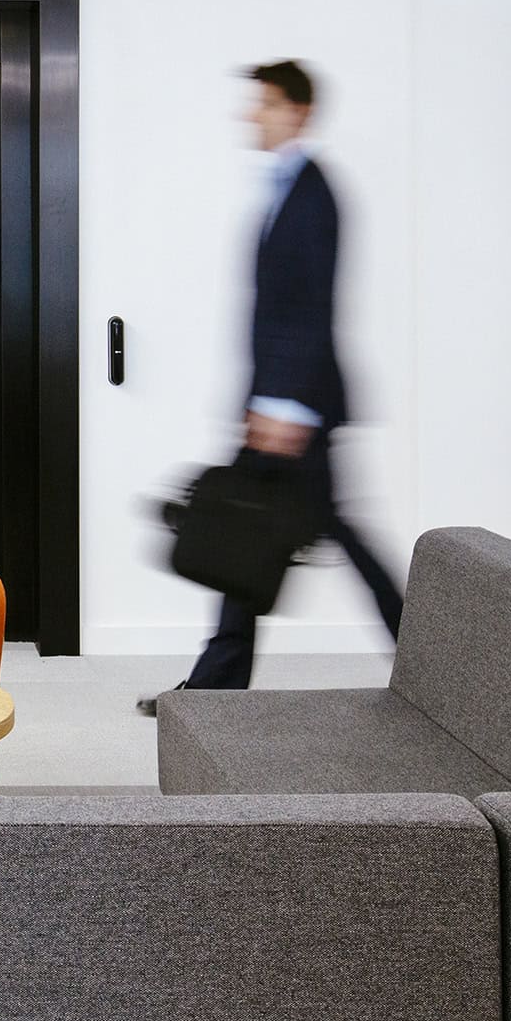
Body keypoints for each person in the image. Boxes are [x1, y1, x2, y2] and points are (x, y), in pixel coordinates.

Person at [140, 62, 403, 708]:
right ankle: (214, 686)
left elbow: (312, 308)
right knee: (244, 535)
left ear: (298, 112)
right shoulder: (291, 187)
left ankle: (438, 664)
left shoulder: (314, 193)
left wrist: (284, 405)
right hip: (282, 405)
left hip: (297, 411)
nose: (250, 114)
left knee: (307, 535)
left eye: (263, 104)